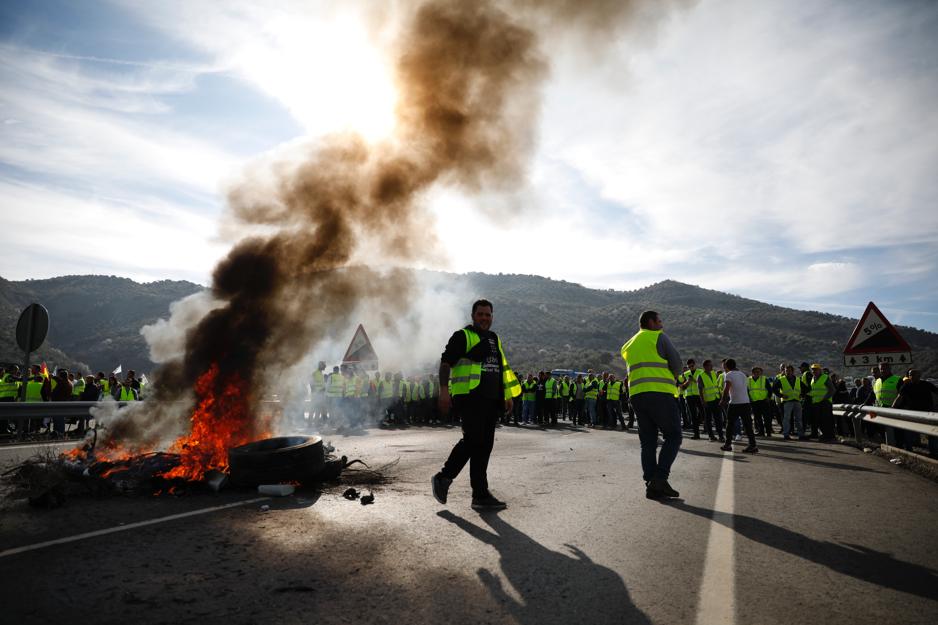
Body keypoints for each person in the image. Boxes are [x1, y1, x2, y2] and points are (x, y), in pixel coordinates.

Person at [432, 299, 521, 511]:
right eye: (480, 314)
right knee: (473, 441)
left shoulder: (494, 338)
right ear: (473, 316)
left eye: (488, 314)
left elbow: (501, 368)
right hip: (470, 397)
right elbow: (445, 363)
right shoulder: (462, 336)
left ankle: (480, 495)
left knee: (484, 446)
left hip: (491, 400)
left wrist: (507, 395)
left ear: (492, 317)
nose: (484, 318)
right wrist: (444, 391)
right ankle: (443, 478)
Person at [620, 310, 683, 500]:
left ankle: (651, 484)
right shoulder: (658, 337)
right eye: (659, 321)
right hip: (660, 393)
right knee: (673, 436)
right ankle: (660, 479)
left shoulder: (628, 344)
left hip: (637, 396)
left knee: (648, 442)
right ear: (651, 322)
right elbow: (677, 365)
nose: (662, 324)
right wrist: (673, 377)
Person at [720, 359, 758, 453]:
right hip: (745, 402)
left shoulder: (729, 375)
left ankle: (727, 444)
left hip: (735, 403)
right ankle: (753, 445)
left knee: (730, 424)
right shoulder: (742, 374)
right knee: (748, 425)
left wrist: (723, 400)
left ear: (727, 366)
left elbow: (726, 389)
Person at [773, 364, 805, 440]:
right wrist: (781, 395)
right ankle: (786, 434)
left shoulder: (797, 379)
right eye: (786, 371)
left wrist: (802, 395)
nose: (788, 372)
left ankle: (801, 435)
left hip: (797, 401)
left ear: (793, 371)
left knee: (799, 419)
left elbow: (806, 388)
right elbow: (773, 388)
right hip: (787, 401)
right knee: (786, 419)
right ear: (784, 371)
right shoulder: (781, 379)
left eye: (790, 371)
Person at [697, 360, 724, 441]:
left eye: (712, 365)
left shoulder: (714, 373)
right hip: (708, 401)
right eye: (710, 365)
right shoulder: (701, 376)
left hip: (716, 399)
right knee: (708, 419)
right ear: (705, 366)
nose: (712, 367)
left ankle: (721, 436)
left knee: (718, 419)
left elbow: (717, 386)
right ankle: (711, 436)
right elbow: (700, 390)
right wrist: (703, 401)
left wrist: (721, 397)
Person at [808, 364, 836, 442]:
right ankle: (822, 435)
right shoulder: (813, 378)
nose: (814, 371)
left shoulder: (825, 377)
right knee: (818, 420)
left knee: (826, 420)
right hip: (816, 403)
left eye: (816, 369)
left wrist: (825, 399)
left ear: (820, 370)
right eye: (813, 369)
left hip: (825, 403)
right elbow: (815, 390)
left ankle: (828, 436)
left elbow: (832, 390)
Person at [680, 359, 704, 439]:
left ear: (695, 364)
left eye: (692, 366)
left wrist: (694, 380)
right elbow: (682, 387)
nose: (690, 368)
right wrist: (687, 382)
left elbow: (703, 384)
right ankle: (696, 434)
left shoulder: (701, 372)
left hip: (698, 396)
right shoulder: (685, 374)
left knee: (703, 414)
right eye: (689, 367)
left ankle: (707, 430)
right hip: (689, 396)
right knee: (693, 416)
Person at [748, 367, 773, 437]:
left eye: (758, 372)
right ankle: (761, 431)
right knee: (758, 418)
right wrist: (749, 399)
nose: (757, 373)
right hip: (754, 402)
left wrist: (768, 397)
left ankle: (768, 432)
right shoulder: (748, 380)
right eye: (755, 372)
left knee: (766, 417)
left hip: (764, 401)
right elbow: (747, 390)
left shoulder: (764, 379)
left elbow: (770, 389)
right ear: (752, 373)